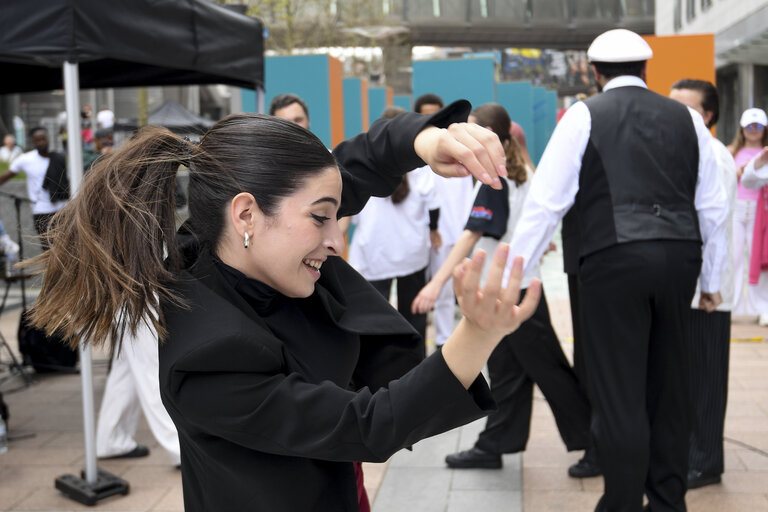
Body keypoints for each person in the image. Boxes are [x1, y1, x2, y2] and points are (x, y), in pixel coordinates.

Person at [25, 102, 540, 511]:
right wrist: (478, 332)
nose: (336, 240)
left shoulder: (227, 242)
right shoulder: (208, 355)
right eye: (322, 218)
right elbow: (368, 425)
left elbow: (360, 161)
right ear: (247, 213)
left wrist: (429, 139)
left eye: (336, 215)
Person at [505, 29, 728, 511]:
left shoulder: (583, 114)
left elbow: (547, 201)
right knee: (671, 385)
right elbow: (712, 206)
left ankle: (623, 502)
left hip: (612, 260)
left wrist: (516, 276)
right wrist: (711, 281)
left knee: (619, 388)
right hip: (679, 258)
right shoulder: (688, 118)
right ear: (646, 69)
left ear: (592, 70)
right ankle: (668, 501)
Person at [412, 103, 590, 469]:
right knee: (508, 370)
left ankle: (596, 442)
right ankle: (496, 443)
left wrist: (437, 283)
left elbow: (471, 235)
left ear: (490, 135)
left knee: (549, 370)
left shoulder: (496, 176)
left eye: (472, 129)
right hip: (511, 288)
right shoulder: (520, 169)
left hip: (514, 291)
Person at [670, 79, 738, 491]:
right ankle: (691, 453)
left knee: (706, 377)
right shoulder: (687, 149)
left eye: (686, 107)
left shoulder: (714, 155)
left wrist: (709, 285)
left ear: (708, 115)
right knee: (686, 375)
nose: (675, 113)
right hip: (686, 282)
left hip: (708, 289)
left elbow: (716, 226)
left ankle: (706, 461)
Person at [348, 106, 440, 346]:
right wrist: (433, 230)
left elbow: (350, 213)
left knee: (373, 327)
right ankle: (418, 374)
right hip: (413, 256)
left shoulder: (361, 166)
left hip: (373, 257)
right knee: (415, 323)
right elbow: (434, 205)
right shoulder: (422, 169)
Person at [415, 93, 476, 350]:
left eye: (434, 114)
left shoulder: (458, 151)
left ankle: (443, 341)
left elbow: (464, 195)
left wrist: (461, 229)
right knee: (420, 289)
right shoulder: (413, 150)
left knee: (445, 289)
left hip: (449, 231)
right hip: (419, 234)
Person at [729, 107, 768, 323]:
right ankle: (732, 306)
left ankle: (761, 307)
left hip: (761, 211)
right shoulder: (732, 151)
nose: (754, 130)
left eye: (758, 126)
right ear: (742, 129)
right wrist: (739, 171)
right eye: (750, 127)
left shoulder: (766, 151)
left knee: (759, 258)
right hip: (736, 207)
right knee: (734, 257)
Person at [0, 127, 69, 241]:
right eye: (38, 140)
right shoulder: (26, 159)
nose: (41, 143)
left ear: (48, 140)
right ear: (33, 142)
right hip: (40, 211)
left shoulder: (58, 159)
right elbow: (6, 176)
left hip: (61, 209)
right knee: (48, 248)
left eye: (43, 139)